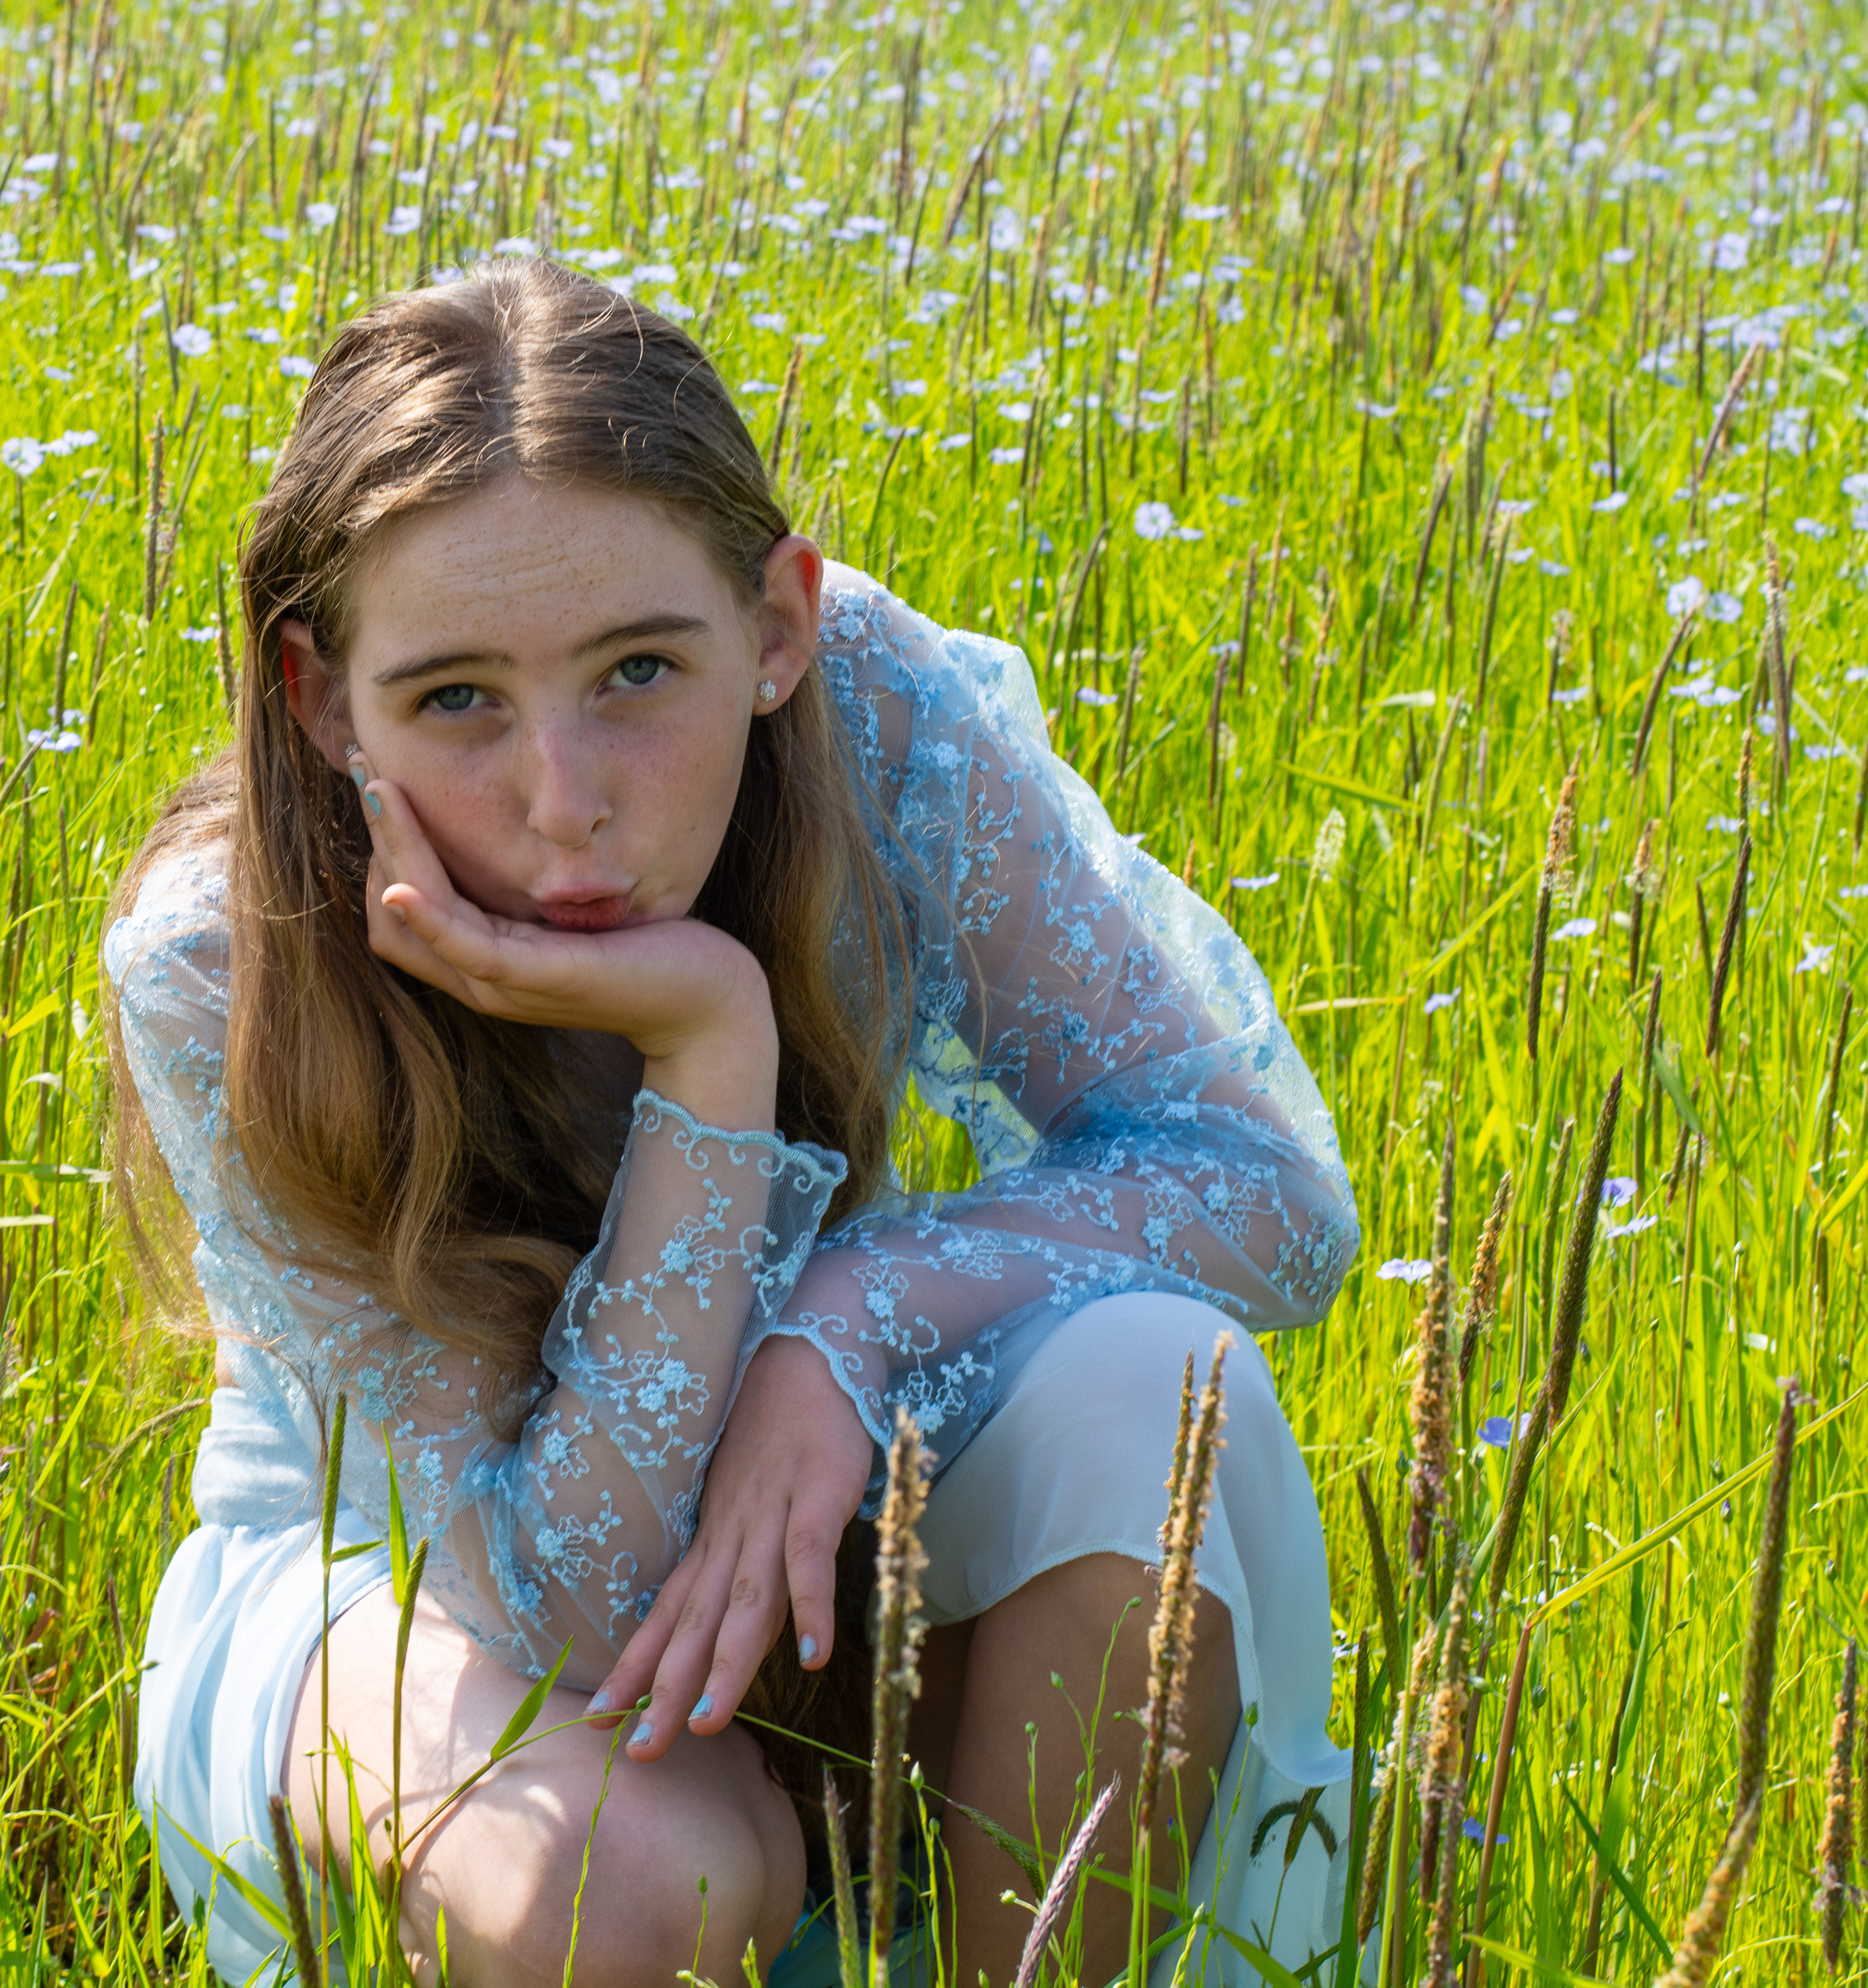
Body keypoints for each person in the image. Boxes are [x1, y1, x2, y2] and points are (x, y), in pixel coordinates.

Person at [101, 254, 1362, 1988]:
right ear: (322, 700)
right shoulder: (223, 951)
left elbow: (1264, 1184)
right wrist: (711, 1046)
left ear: (777, 626)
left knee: (1158, 1378)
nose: (565, 803)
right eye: (457, 698)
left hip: (815, 1479)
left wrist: (845, 1315)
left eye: (638, 669)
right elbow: (566, 1602)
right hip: (399, 1581)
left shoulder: (867, 715)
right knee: (644, 1887)